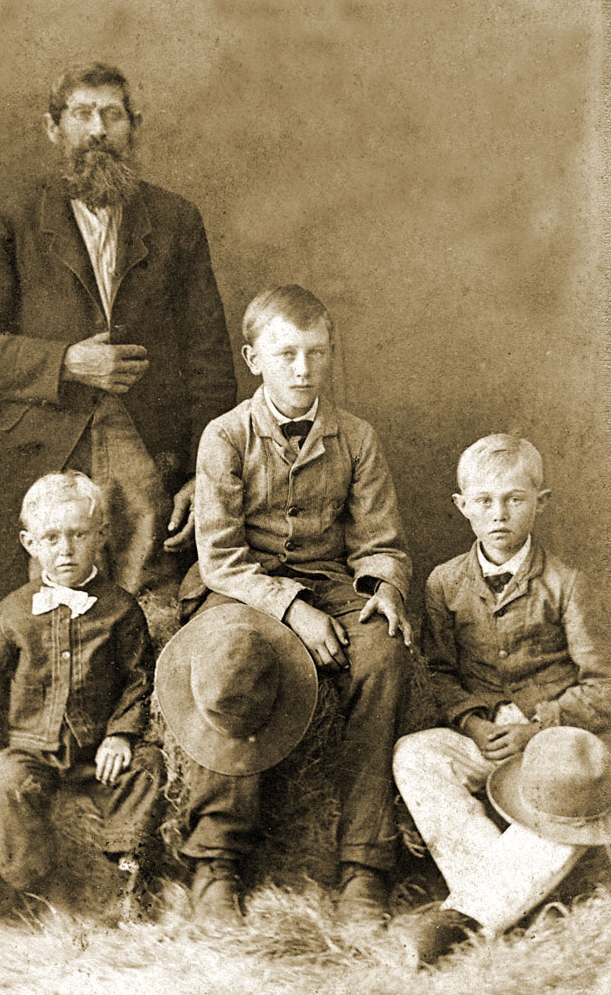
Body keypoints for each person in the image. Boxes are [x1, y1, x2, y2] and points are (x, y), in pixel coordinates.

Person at [0, 62, 236, 875]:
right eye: (81, 115)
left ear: (133, 126)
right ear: (54, 129)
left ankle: (149, 833)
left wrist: (200, 472)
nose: (97, 130)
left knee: (145, 619)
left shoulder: (174, 220)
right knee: (42, 632)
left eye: (112, 114)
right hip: (45, 452)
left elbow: (209, 354)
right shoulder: (9, 217)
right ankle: (28, 849)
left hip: (148, 448)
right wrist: (64, 362)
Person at [174, 284, 413, 928]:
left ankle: (364, 865)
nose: (304, 369)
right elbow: (221, 557)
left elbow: (379, 543)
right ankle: (215, 861)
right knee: (233, 663)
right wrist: (293, 610)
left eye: (317, 352)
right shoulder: (225, 436)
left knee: (383, 653)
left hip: (331, 583)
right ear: (254, 359)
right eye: (286, 354)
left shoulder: (356, 437)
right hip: (239, 587)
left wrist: (383, 588)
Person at [393, 434, 611, 964]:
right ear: (462, 506)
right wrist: (471, 722)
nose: (499, 514)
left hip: (554, 744)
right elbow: (440, 674)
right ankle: (515, 908)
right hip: (487, 737)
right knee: (416, 753)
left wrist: (538, 727)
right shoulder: (444, 582)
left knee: (572, 796)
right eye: (485, 500)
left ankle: (463, 920)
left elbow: (605, 685)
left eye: (515, 499)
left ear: (541, 502)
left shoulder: (567, 583)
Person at [0, 471, 166, 914]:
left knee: (147, 767)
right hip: (31, 748)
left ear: (101, 536)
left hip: (96, 750)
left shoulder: (121, 609)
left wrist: (120, 734)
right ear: (30, 543)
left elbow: (139, 677)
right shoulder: (12, 612)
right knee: (10, 785)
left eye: (79, 534)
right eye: (51, 537)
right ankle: (37, 892)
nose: (66, 550)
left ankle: (125, 873)